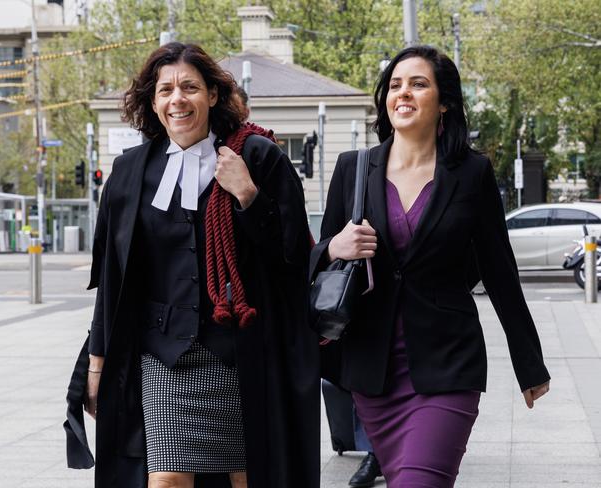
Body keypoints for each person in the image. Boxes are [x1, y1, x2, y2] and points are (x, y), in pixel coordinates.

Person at [66, 42, 319, 488]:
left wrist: (248, 197)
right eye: (165, 90)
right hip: (162, 357)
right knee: (165, 480)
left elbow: (294, 257)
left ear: (213, 96)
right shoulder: (129, 173)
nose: (177, 99)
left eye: (189, 87)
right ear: (153, 102)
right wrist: (96, 367)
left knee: (248, 478)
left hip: (242, 352)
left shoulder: (257, 158)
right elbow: (113, 282)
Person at [310, 45, 550, 488]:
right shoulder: (353, 168)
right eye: (396, 85)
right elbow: (318, 261)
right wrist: (334, 247)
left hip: (448, 364)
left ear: (444, 102)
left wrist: (529, 363)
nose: (403, 93)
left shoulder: (472, 172)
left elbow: (499, 269)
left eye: (418, 84)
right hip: (373, 370)